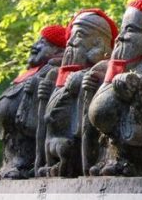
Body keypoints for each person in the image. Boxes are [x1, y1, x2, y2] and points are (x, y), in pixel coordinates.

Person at [84, 0, 142, 176]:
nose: (120, 37)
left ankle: (135, 162)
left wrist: (138, 82)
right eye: (122, 29)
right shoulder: (122, 65)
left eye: (130, 30)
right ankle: (117, 159)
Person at [37, 9, 117, 177]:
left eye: (79, 35)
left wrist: (87, 81)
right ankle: (49, 163)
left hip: (76, 145)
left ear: (99, 43)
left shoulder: (103, 70)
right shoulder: (58, 75)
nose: (71, 42)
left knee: (67, 148)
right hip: (54, 139)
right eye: (71, 36)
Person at [0, 25, 66, 179]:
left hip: (32, 155)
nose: (35, 46)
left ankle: (24, 165)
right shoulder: (28, 75)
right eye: (37, 41)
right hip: (11, 153)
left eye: (43, 43)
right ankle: (9, 164)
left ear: (58, 50)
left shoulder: (54, 73)